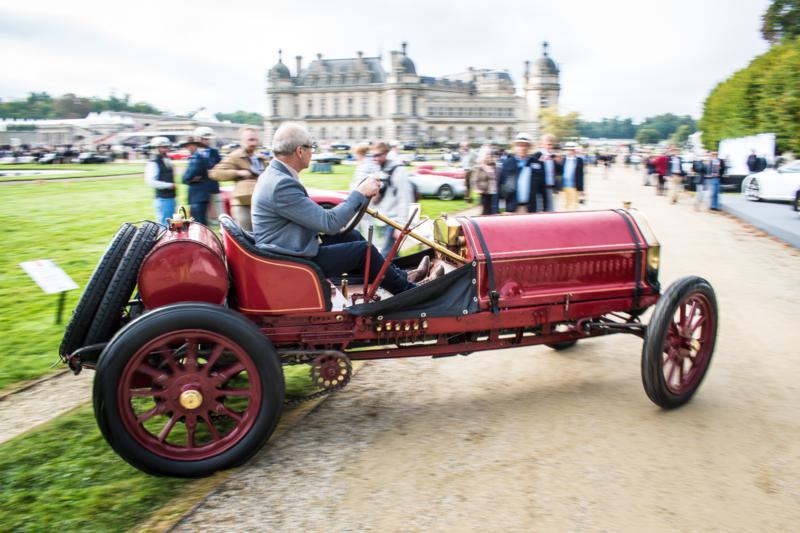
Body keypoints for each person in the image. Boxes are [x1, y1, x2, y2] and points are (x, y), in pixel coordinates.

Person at [251, 123, 436, 295]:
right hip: (290, 260)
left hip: (289, 249)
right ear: (300, 151)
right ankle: (411, 292)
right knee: (364, 251)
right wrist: (359, 193)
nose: (312, 153)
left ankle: (402, 277)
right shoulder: (281, 184)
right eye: (311, 147)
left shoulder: (276, 176)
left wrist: (357, 196)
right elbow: (330, 223)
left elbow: (318, 218)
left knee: (351, 236)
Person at [209, 127, 267, 231]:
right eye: (250, 140)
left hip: (261, 203)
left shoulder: (260, 158)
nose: (253, 143)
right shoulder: (235, 157)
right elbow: (215, 173)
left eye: (255, 140)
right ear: (242, 141)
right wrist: (238, 173)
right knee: (246, 234)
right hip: (243, 204)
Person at [369, 141, 415, 256]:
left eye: (378, 155)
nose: (375, 159)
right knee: (390, 257)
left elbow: (405, 198)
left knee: (385, 257)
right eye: (373, 156)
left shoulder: (398, 170)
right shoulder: (379, 169)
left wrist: (400, 225)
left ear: (386, 154)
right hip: (382, 220)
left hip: (393, 221)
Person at [143, 136, 176, 225]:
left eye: (166, 147)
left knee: (172, 224)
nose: (165, 149)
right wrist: (169, 185)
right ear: (156, 148)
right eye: (163, 147)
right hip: (163, 199)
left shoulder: (166, 160)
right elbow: (150, 182)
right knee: (165, 225)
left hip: (170, 197)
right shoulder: (153, 162)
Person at [181, 137, 213, 226]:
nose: (189, 148)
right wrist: (189, 179)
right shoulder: (195, 157)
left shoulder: (197, 158)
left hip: (199, 195)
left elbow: (187, 176)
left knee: (200, 223)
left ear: (195, 146)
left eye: (192, 145)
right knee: (198, 222)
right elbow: (187, 177)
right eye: (188, 146)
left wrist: (187, 179)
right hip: (197, 195)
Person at [498, 133, 534, 212]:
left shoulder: (534, 163)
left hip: (529, 208)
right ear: (515, 147)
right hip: (511, 207)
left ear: (529, 147)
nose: (522, 148)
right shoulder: (507, 163)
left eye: (525, 145)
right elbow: (500, 185)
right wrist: (498, 209)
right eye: (519, 145)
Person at [194, 126, 222, 227]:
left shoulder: (214, 152)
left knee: (219, 212)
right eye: (204, 139)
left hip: (213, 186)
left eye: (208, 139)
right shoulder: (195, 153)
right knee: (203, 217)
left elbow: (220, 167)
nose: (207, 141)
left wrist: (214, 172)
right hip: (200, 190)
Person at [536, 134, 559, 211]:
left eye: (552, 145)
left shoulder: (552, 156)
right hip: (539, 188)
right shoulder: (537, 156)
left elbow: (558, 171)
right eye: (548, 144)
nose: (550, 147)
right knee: (540, 210)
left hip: (550, 187)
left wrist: (559, 162)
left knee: (550, 210)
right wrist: (539, 162)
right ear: (542, 144)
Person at [559, 142, 585, 211]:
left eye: (572, 149)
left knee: (573, 207)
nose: (570, 151)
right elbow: (559, 173)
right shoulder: (562, 159)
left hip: (574, 187)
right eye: (568, 149)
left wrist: (581, 190)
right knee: (564, 206)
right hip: (563, 187)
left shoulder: (579, 160)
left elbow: (581, 175)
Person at [472, 146, 497, 215]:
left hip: (494, 192)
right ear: (483, 156)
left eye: (489, 154)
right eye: (486, 154)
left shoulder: (494, 166)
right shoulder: (479, 167)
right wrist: (477, 189)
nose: (488, 156)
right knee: (485, 211)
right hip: (484, 192)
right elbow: (474, 180)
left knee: (494, 211)